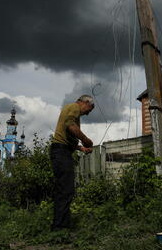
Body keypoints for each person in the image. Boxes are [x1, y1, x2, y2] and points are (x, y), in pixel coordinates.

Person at [50, 94, 95, 231]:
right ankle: (60, 228)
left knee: (64, 189)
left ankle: (60, 225)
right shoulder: (74, 107)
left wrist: (81, 148)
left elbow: (66, 136)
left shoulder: (71, 109)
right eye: (90, 109)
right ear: (85, 102)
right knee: (66, 190)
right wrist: (86, 140)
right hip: (61, 152)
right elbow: (70, 125)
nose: (87, 113)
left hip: (61, 151)